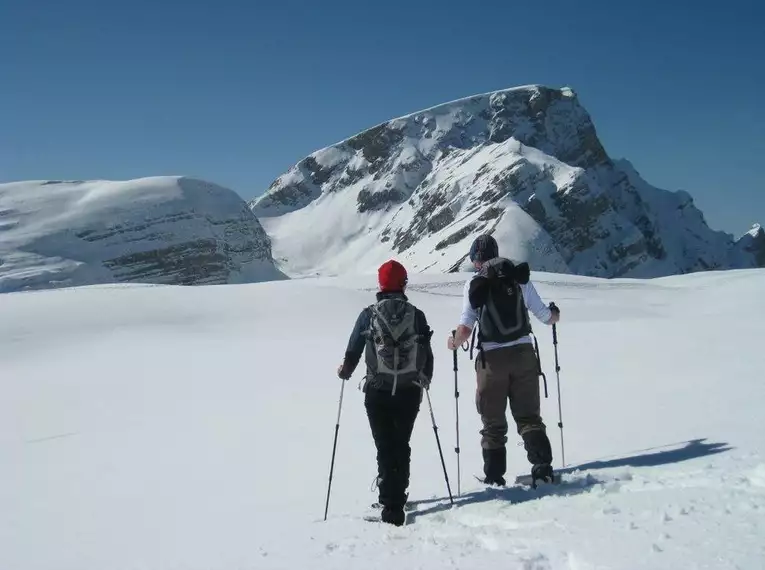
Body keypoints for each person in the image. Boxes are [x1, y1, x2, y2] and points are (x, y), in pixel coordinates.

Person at [447, 234, 560, 487]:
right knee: (529, 417)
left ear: (476, 259)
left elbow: (465, 328)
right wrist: (555, 315)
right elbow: (544, 315)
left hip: (492, 361)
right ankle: (542, 468)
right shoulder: (517, 276)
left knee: (493, 423)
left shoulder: (476, 283)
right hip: (523, 354)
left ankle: (495, 477)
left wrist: (453, 342)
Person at [337, 259, 434, 526]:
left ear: (380, 285)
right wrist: (425, 379)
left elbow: (353, 351)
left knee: (384, 445)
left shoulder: (368, 314)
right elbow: (427, 354)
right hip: (408, 391)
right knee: (401, 444)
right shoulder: (417, 314)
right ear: (403, 285)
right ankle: (397, 499)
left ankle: (388, 502)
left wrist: (345, 371)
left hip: (377, 392)